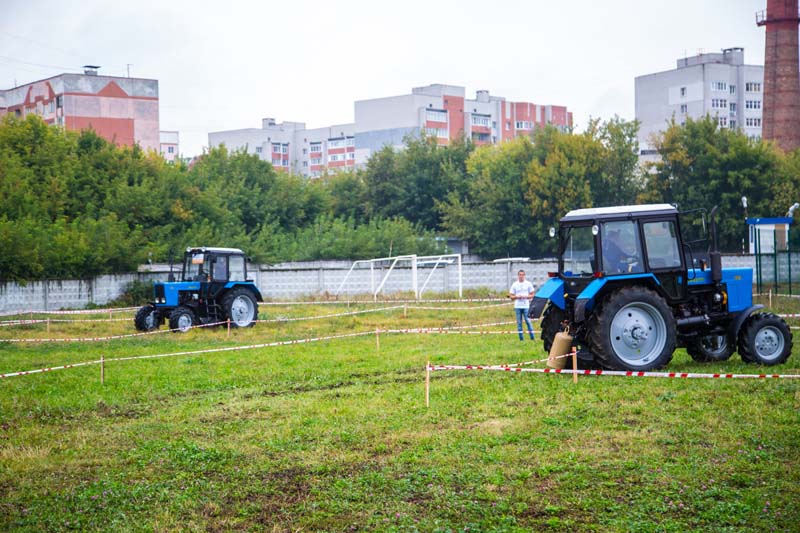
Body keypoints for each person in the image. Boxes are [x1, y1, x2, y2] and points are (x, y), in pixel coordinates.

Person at [509, 270, 535, 341]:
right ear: (518, 276)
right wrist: (517, 297)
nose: (521, 276)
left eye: (523, 275)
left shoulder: (528, 284)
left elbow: (532, 294)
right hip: (517, 306)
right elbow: (511, 296)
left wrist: (526, 297)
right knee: (519, 323)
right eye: (520, 275)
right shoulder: (514, 284)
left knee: (528, 321)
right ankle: (521, 339)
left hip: (526, 306)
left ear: (524, 275)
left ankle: (532, 338)